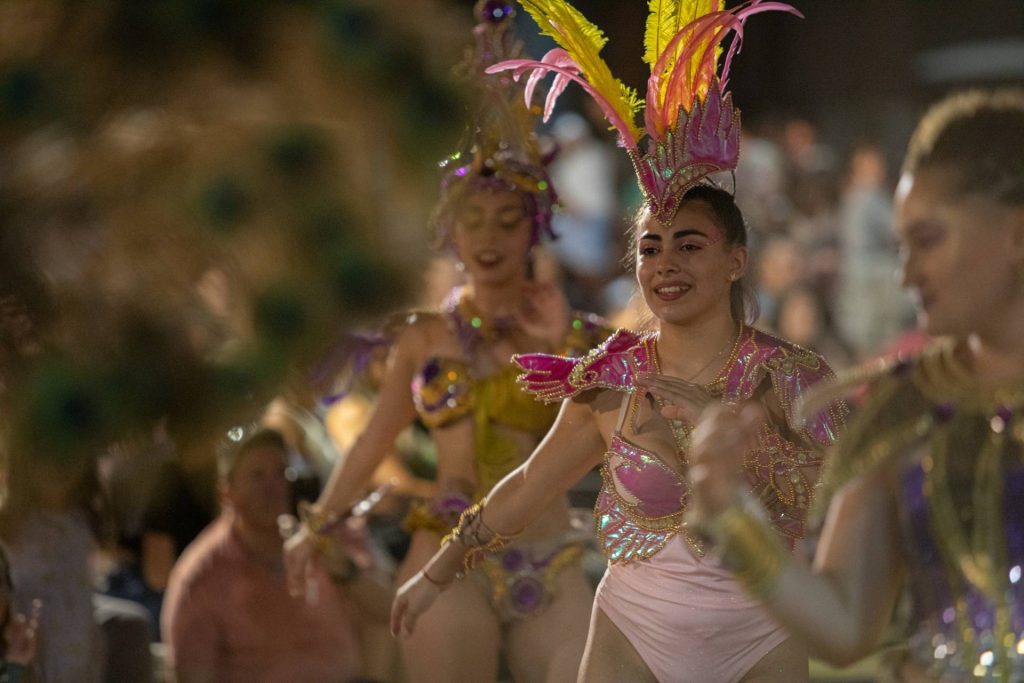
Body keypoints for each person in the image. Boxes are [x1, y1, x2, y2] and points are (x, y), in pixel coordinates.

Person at [392, 3, 847, 681]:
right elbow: (529, 484)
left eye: (689, 245)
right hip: (630, 639)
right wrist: (436, 572)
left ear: (736, 260)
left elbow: (853, 497)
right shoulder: (610, 382)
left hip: (761, 642)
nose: (666, 266)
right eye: (651, 248)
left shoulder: (793, 378)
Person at [284, 4, 610, 681]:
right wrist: (317, 526)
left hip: (548, 554)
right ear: (450, 231)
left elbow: (629, 418)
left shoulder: (574, 335)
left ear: (535, 227)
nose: (488, 238)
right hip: (446, 559)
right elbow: (371, 442)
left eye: (506, 220)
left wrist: (561, 349)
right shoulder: (424, 337)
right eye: (473, 220)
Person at [683, 89, 1024, 681]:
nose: (906, 274)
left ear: (1017, 234)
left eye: (928, 240)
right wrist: (730, 511)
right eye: (901, 247)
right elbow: (843, 627)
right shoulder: (904, 404)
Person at [162, 427, 375, 683]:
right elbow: (192, 673)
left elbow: (388, 610)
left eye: (281, 473)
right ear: (226, 493)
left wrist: (345, 570)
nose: (272, 487)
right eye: (257, 476)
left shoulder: (323, 539)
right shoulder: (202, 574)